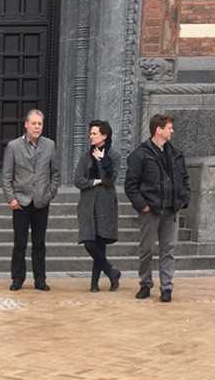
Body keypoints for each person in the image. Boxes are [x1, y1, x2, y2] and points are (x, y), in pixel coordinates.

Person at [124, 113, 190, 303]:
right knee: (146, 249)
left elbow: (185, 179)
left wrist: (183, 199)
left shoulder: (176, 154)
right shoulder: (140, 155)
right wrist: (143, 206)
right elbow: (131, 185)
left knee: (168, 250)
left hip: (171, 210)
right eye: (169, 128)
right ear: (158, 130)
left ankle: (166, 287)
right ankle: (145, 284)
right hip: (151, 211)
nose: (172, 131)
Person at [1, 109, 60, 291]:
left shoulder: (49, 145)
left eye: (40, 124)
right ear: (26, 125)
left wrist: (50, 194)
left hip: (41, 201)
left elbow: (55, 173)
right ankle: (17, 279)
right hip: (21, 202)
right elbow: (6, 176)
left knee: (39, 243)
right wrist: (11, 198)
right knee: (20, 243)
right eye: (33, 123)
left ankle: (40, 280)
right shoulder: (13, 146)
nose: (37, 127)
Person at [73, 120, 122, 292]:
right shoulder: (85, 156)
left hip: (105, 204)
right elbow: (78, 180)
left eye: (94, 133)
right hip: (87, 204)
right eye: (90, 133)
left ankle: (94, 284)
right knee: (89, 242)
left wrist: (102, 161)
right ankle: (111, 272)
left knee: (100, 243)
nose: (91, 136)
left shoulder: (114, 156)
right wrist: (94, 181)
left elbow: (110, 180)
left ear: (104, 136)